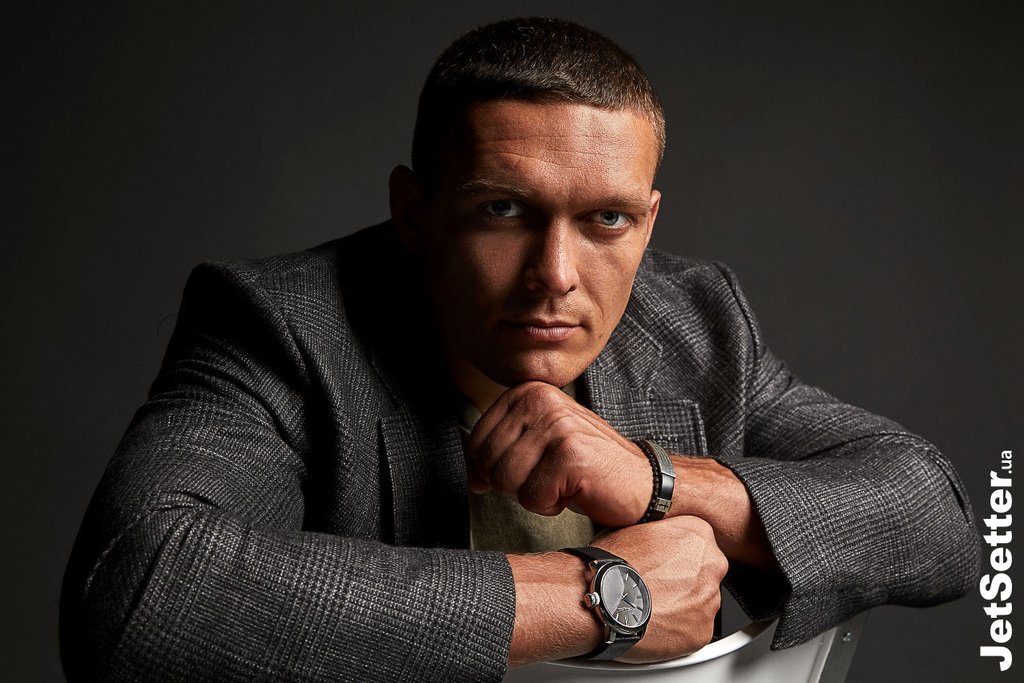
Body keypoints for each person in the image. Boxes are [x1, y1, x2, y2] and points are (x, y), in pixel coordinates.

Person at [60, 17, 980, 682]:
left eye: (607, 219)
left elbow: (933, 514)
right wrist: (599, 595)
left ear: (649, 220)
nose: (556, 276)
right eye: (503, 209)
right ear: (414, 212)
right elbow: (135, 592)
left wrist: (661, 481)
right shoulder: (282, 324)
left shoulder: (694, 322)